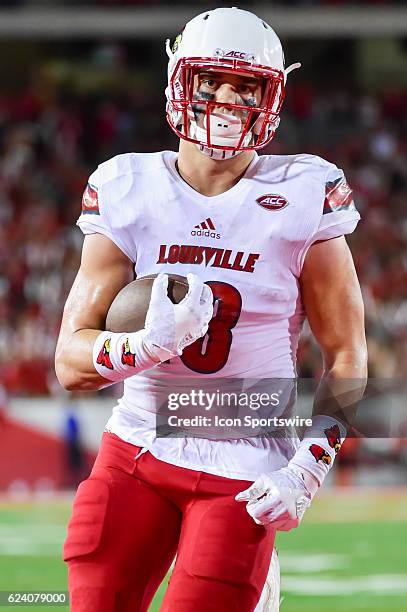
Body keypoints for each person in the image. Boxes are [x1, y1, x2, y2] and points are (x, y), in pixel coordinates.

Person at [55, 7, 367, 612]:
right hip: (138, 447)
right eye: (211, 81)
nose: (227, 99)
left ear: (271, 96)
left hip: (245, 462)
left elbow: (347, 352)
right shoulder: (129, 187)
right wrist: (140, 348)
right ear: (180, 80)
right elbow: (70, 360)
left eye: (246, 85)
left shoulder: (304, 193)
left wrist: (308, 467)